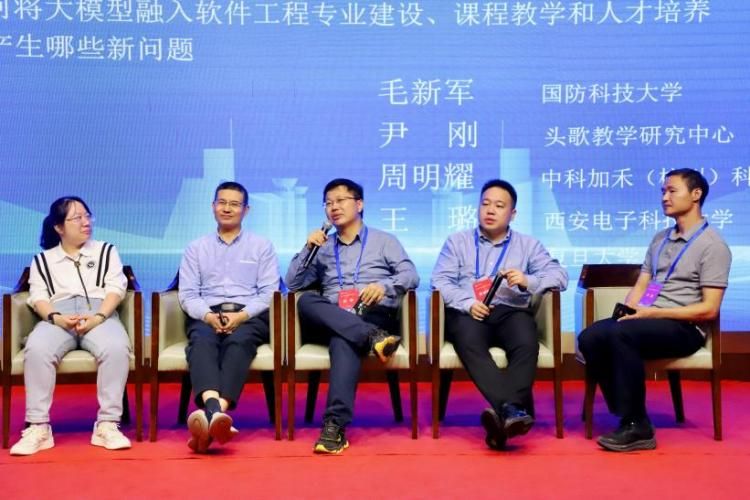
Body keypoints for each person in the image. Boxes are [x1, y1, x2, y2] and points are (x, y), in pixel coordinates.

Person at [578, 168, 731, 452]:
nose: (664, 197)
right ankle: (625, 411)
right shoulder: (661, 239)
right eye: (663, 191)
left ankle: (638, 425)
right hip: (648, 320)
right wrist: (628, 311)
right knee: (591, 337)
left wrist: (651, 314)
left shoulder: (713, 246)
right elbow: (643, 284)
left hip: (685, 327)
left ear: (696, 195)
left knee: (621, 335)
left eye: (672, 191)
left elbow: (709, 309)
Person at [431, 179, 568, 450]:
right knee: (469, 342)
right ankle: (513, 410)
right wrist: (468, 302)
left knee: (526, 342)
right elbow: (440, 281)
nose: (490, 210)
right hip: (469, 312)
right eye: (485, 204)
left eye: (499, 205)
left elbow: (560, 276)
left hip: (511, 311)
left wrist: (528, 281)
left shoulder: (528, 245)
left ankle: (504, 415)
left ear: (512, 214)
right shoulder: (457, 242)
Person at [285, 178, 419, 454]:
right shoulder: (321, 247)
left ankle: (334, 426)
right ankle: (373, 338)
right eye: (328, 203)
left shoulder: (384, 241)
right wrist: (307, 248)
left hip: (372, 313)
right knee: (307, 300)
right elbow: (293, 284)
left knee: (343, 338)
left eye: (340, 200)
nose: (333, 207)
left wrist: (383, 286)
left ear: (359, 204)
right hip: (332, 316)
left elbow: (411, 275)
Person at [10, 196, 132, 456]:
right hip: (58, 316)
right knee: (37, 349)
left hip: (99, 312)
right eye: (77, 218)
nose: (86, 222)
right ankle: (38, 427)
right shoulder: (43, 260)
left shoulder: (106, 251)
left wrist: (98, 317)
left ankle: (107, 424)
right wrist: (56, 318)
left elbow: (116, 288)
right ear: (59, 227)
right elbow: (38, 296)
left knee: (116, 348)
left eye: (87, 216)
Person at [178, 181, 280, 453]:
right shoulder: (195, 248)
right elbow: (188, 294)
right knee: (202, 342)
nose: (227, 208)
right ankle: (216, 413)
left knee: (239, 342)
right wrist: (208, 316)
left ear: (246, 210)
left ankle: (212, 413)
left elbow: (268, 292)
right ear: (213, 206)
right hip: (207, 313)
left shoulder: (261, 246)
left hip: (249, 315)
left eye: (234, 204)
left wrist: (242, 316)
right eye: (222, 203)